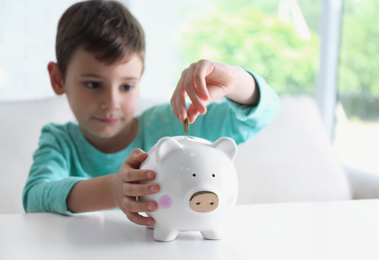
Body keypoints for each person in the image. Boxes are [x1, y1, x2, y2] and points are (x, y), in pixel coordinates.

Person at [23, 0, 280, 227]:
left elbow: (262, 116)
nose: (111, 102)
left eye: (126, 86)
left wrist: (236, 81)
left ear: (140, 80)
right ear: (58, 80)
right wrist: (113, 191)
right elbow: (35, 197)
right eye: (93, 84)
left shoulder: (173, 123)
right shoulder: (59, 142)